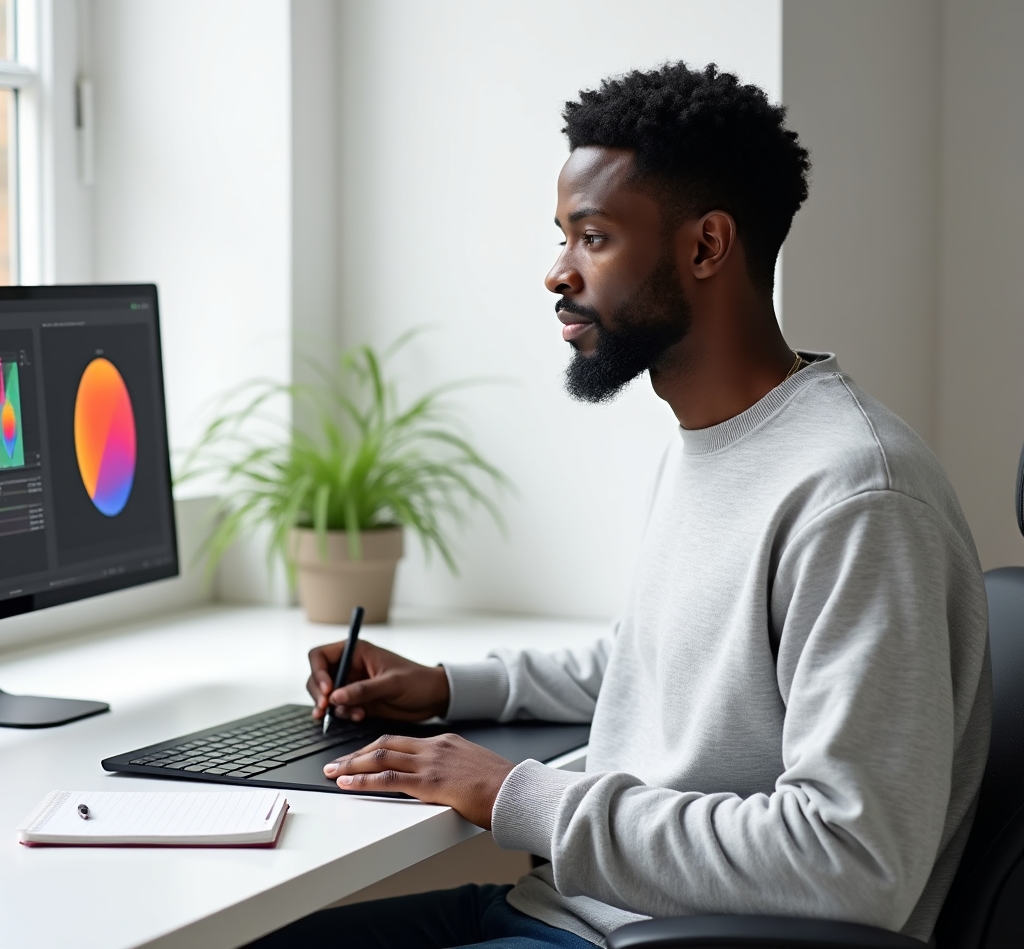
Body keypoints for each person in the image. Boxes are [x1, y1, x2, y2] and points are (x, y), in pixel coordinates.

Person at [248, 62, 991, 949]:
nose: (557, 274)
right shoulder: (718, 441)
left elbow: (849, 861)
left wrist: (513, 793)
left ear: (706, 247)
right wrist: (447, 686)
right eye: (563, 238)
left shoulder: (856, 496)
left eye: (592, 238)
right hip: (567, 914)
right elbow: (664, 661)